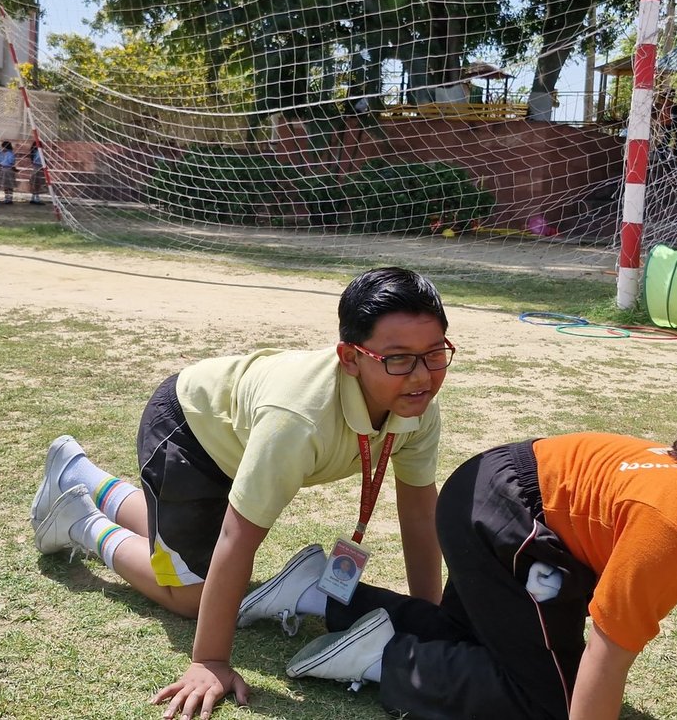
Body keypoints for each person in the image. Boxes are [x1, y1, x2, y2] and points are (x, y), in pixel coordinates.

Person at [250, 419, 677, 720]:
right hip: (505, 510)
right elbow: (608, 653)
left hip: (531, 514)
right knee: (548, 699)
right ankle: (385, 659)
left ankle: (321, 591)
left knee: (490, 648)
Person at [28, 267, 452, 720]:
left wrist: (428, 617)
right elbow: (238, 535)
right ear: (350, 358)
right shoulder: (298, 418)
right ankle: (81, 522)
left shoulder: (416, 406)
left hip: (239, 439)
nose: (421, 376)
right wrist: (210, 661)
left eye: (434, 354)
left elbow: (419, 517)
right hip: (189, 434)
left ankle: (79, 473)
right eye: (398, 359)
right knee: (191, 597)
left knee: (184, 555)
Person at [27, 141, 46, 205]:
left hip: (35, 168)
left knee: (35, 183)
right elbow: (41, 160)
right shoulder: (39, 152)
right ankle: (36, 198)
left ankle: (33, 198)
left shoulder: (34, 152)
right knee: (37, 184)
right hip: (39, 168)